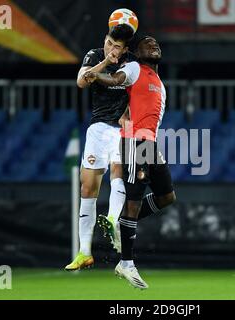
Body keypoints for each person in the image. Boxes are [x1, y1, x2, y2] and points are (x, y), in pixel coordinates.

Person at [84, 36, 176, 289]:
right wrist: (96, 76)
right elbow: (115, 80)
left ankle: (121, 223)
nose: (154, 45)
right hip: (134, 143)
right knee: (134, 203)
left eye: (157, 43)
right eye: (148, 43)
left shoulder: (158, 82)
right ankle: (126, 262)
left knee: (167, 197)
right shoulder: (135, 68)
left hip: (150, 144)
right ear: (137, 52)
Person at [64, 24, 134, 271]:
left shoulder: (132, 63)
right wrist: (105, 61)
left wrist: (128, 114)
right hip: (97, 128)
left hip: (122, 127)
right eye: (109, 43)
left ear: (125, 49)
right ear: (105, 40)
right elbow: (81, 82)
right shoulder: (94, 55)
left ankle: (113, 219)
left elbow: (138, 93)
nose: (112, 49)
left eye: (117, 47)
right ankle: (84, 252)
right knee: (87, 187)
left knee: (118, 170)